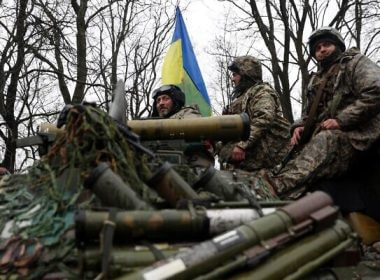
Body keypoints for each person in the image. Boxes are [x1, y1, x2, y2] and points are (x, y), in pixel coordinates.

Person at [258, 27, 380, 200]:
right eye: (317, 48)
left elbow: (376, 91)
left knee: (325, 140)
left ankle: (274, 188)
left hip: (362, 135)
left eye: (327, 44)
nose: (322, 50)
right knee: (296, 148)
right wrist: (299, 126)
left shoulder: (355, 63)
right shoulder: (316, 80)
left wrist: (341, 120)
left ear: (338, 45)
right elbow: (310, 114)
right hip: (332, 136)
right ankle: (277, 190)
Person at [217, 56, 290, 171]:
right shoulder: (240, 100)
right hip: (249, 162)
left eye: (235, 75)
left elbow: (264, 117)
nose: (232, 79)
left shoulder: (262, 91)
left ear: (246, 74)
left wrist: (242, 145)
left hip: (267, 161)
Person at [150, 84, 214, 167]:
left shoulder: (188, 113)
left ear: (175, 100)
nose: (161, 103)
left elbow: (193, 127)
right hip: (163, 165)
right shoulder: (152, 124)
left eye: (166, 99)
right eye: (158, 101)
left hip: (193, 165)